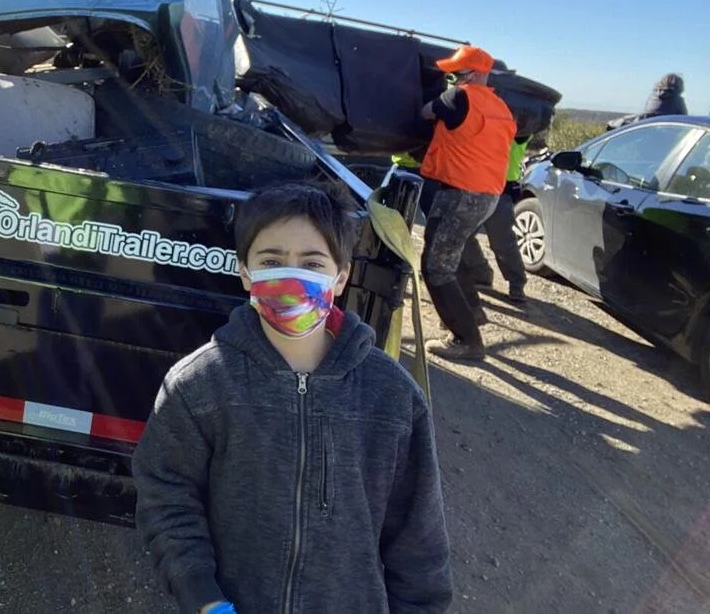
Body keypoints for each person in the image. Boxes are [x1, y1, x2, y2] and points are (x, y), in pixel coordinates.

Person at [132, 181, 453, 614]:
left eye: (311, 262)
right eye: (272, 260)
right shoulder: (198, 385)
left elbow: (419, 540)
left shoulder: (393, 398)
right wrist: (203, 598)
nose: (291, 275)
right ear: (245, 273)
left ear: (340, 277)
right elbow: (166, 496)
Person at [419, 45, 516, 362]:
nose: (452, 79)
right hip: (487, 195)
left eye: (455, 73)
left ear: (472, 73)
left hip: (460, 194)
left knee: (435, 267)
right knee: (450, 256)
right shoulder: (501, 107)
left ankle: (467, 340)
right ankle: (472, 312)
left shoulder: (459, 97)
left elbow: (425, 112)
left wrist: (442, 96)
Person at [460, 134, 533, 304]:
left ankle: (517, 283)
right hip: (474, 184)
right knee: (463, 235)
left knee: (502, 241)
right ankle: (481, 273)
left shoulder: (520, 125)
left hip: (501, 188)